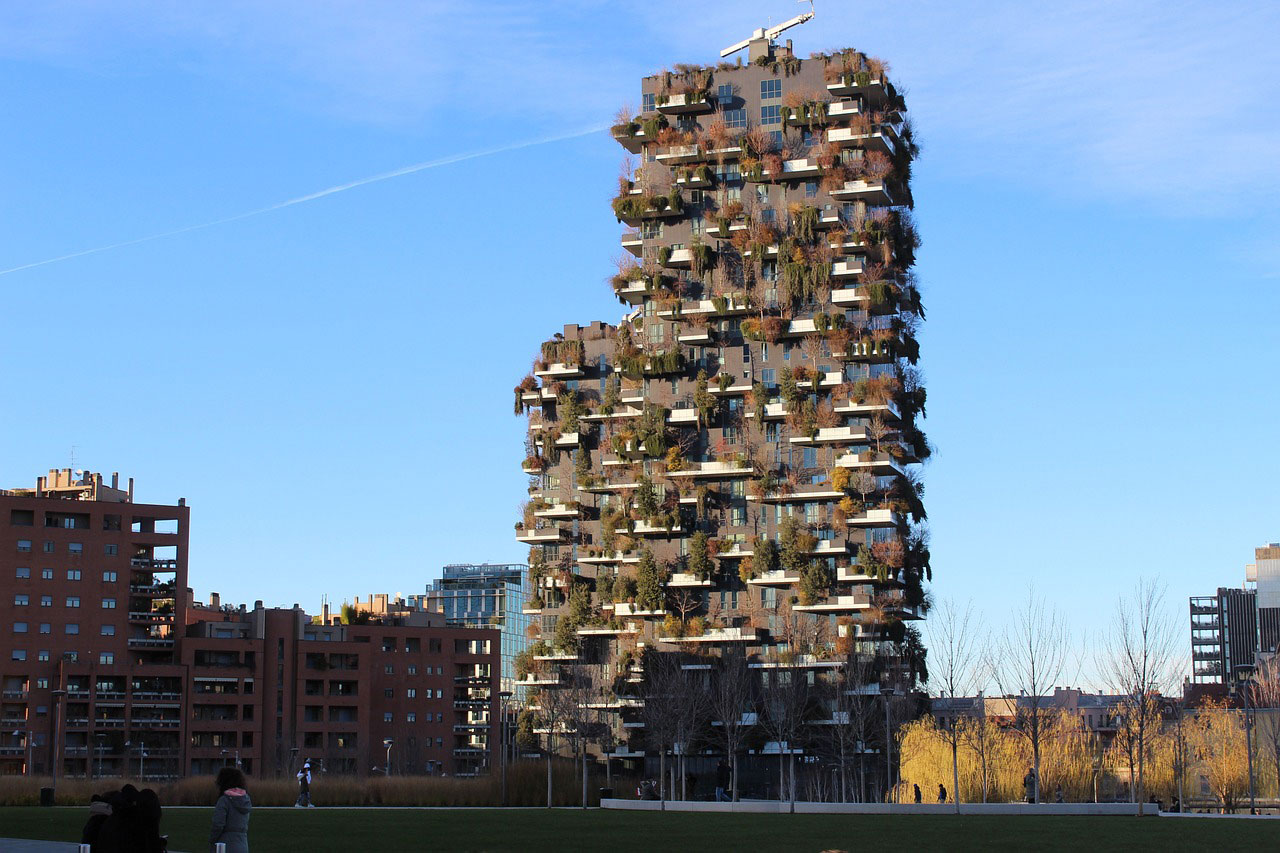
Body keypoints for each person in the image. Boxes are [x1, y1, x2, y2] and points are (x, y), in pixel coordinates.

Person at [211, 766, 252, 853]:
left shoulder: (224, 800)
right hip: (243, 845)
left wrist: (212, 840)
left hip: (225, 845)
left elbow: (218, 824)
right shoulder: (245, 800)